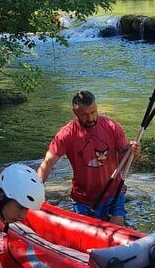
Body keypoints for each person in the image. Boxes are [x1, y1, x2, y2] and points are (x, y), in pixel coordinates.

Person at [37, 91, 139, 226]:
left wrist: (133, 153)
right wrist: (35, 190)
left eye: (93, 112)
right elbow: (47, 164)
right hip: (83, 198)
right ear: (75, 112)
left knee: (117, 229)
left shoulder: (112, 127)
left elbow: (124, 163)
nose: (90, 118)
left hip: (113, 193)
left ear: (97, 108)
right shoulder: (66, 134)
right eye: (84, 114)